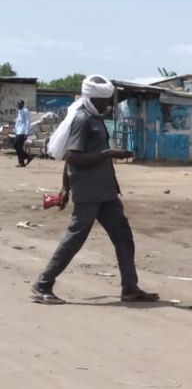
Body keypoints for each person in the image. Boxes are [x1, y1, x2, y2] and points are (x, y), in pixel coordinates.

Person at [31, 75, 159, 305]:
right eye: (104, 100)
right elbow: (72, 157)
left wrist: (64, 186)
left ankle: (130, 287)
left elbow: (71, 158)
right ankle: (42, 284)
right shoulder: (83, 119)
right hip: (89, 193)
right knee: (74, 240)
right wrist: (109, 154)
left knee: (124, 237)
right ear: (93, 98)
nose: (108, 104)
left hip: (106, 192)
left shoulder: (96, 117)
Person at [13, 100, 34, 167]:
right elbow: (18, 122)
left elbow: (28, 122)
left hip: (22, 132)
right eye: (17, 104)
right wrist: (15, 129)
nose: (18, 105)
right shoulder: (19, 112)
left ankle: (27, 157)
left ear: (22, 104)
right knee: (18, 147)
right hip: (18, 131)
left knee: (16, 145)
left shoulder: (25, 111)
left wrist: (26, 133)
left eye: (19, 104)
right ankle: (22, 162)